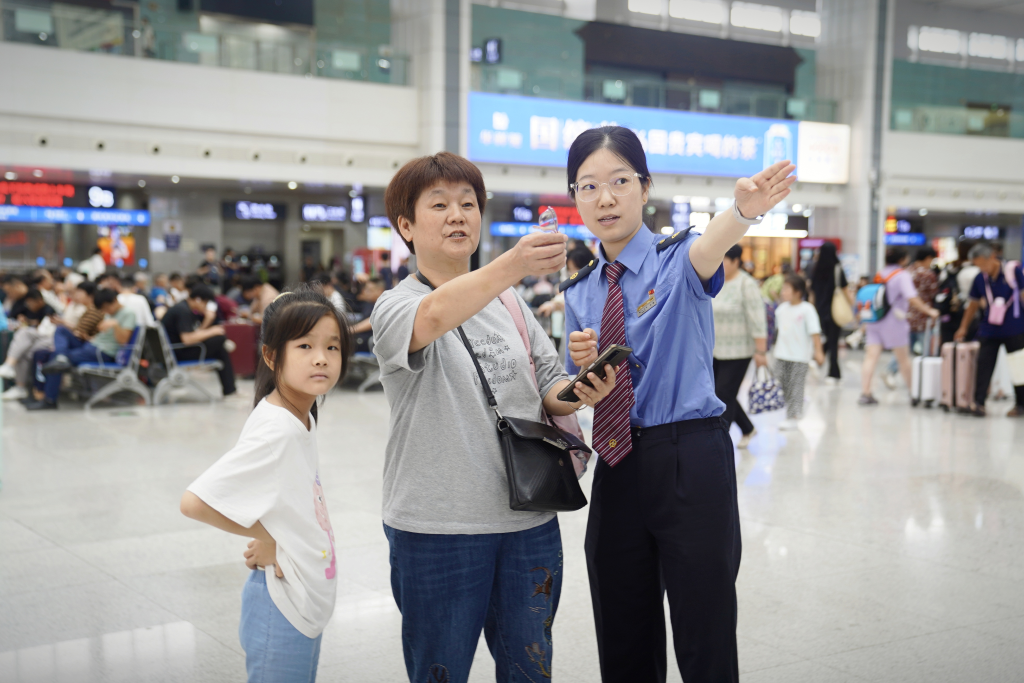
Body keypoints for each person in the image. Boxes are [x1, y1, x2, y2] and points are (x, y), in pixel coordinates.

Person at [561, 126, 795, 683]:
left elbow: (712, 243)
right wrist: (581, 371)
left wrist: (742, 212)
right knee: (622, 633)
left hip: (689, 458)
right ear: (574, 198)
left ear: (645, 187)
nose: (606, 198)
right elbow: (576, 388)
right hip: (617, 464)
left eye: (620, 181)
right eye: (588, 186)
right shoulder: (579, 292)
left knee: (703, 630)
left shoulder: (677, 262)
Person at [371, 152, 617, 683]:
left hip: (528, 517)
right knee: (441, 671)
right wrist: (515, 262)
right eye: (439, 205)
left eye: (468, 203)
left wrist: (581, 390)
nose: (459, 215)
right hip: (439, 528)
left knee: (530, 670)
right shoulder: (395, 305)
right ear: (406, 227)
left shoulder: (509, 303)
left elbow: (547, 386)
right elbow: (433, 317)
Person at [180, 286, 352, 682]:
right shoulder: (277, 429)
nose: (322, 358)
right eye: (305, 346)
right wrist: (271, 535)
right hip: (282, 608)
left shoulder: (298, 416)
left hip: (301, 602)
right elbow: (194, 502)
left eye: (333, 346)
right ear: (272, 355)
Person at [29, 289, 136, 410]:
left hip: (102, 352)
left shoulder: (128, 313)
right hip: (91, 345)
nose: (106, 311)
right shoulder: (109, 314)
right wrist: (89, 337)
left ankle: (49, 400)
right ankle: (61, 358)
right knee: (61, 330)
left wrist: (115, 325)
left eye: (107, 308)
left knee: (55, 358)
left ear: (114, 301)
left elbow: (123, 341)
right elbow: (102, 336)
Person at [858, 247, 940, 406]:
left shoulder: (880, 274)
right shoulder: (902, 275)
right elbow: (912, 297)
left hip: (874, 320)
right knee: (903, 359)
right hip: (894, 321)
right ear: (902, 259)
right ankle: (913, 393)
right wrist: (929, 310)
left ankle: (865, 393)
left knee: (870, 357)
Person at [954, 242, 1024, 417]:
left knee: (1018, 368)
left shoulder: (1013, 271)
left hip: (1015, 328)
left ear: (992, 257)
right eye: (977, 265)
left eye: (982, 264)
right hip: (989, 329)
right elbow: (973, 304)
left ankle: (1021, 405)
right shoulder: (980, 279)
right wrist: (963, 327)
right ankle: (978, 403)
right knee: (983, 365)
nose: (981, 268)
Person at [711, 243, 767, 448]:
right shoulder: (716, 280)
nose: (720, 262)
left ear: (735, 261)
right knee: (719, 393)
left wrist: (761, 350)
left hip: (738, 351)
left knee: (723, 394)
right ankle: (747, 428)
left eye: (724, 259)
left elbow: (758, 319)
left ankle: (721, 441)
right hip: (715, 349)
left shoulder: (747, 284)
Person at [161, 285, 238, 397]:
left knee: (220, 349)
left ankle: (230, 390)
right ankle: (230, 390)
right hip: (179, 353)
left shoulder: (185, 308)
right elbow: (187, 339)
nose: (206, 307)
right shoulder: (183, 311)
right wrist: (212, 331)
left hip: (177, 350)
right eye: (206, 303)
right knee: (219, 339)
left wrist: (207, 321)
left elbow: (196, 333)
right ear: (198, 299)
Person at [773, 275, 826, 430]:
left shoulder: (807, 309)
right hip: (781, 354)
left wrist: (819, 351)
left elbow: (814, 332)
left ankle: (794, 416)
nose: (783, 292)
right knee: (782, 384)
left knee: (796, 385)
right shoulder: (781, 309)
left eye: (786, 289)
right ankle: (798, 404)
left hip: (799, 356)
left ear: (798, 292)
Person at [0, 289, 57, 400]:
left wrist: (29, 323)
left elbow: (45, 329)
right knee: (22, 351)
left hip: (49, 339)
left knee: (24, 334)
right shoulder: (30, 310)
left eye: (31, 302)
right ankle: (19, 387)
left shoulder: (49, 310)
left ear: (39, 301)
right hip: (37, 340)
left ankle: (9, 366)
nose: (29, 305)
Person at [809, 242, 852, 384]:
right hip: (835, 311)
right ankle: (833, 373)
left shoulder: (817, 268)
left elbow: (812, 292)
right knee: (833, 341)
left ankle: (817, 361)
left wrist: (811, 309)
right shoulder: (837, 268)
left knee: (827, 339)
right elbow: (845, 289)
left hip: (820, 311)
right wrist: (852, 304)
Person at [348, 277, 385, 353]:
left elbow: (372, 321)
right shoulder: (370, 304)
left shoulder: (385, 305)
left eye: (369, 290)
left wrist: (350, 330)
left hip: (370, 342)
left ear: (379, 291)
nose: (365, 292)